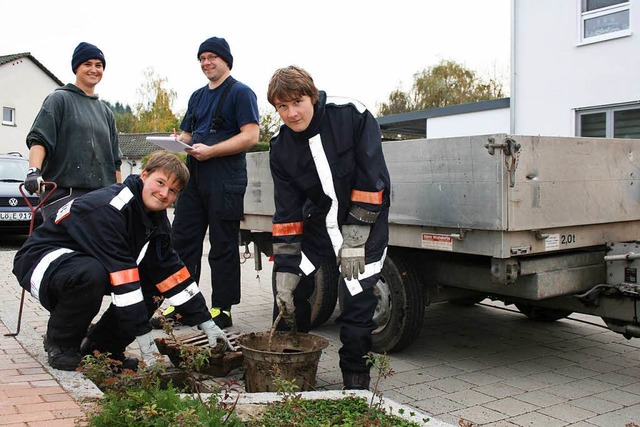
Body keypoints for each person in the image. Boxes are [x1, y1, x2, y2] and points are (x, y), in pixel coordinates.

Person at [13, 151, 229, 371]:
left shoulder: (156, 219)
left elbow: (171, 271)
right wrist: (145, 339)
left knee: (154, 283)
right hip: (41, 260)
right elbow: (122, 274)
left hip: (83, 262)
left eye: (172, 191)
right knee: (92, 274)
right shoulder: (110, 208)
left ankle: (103, 349)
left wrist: (206, 322)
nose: (164, 194)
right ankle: (61, 343)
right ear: (144, 175)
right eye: (160, 183)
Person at [266, 66, 391, 390]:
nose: (291, 113)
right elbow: (287, 211)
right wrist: (285, 269)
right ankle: (286, 373)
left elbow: (373, 178)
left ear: (312, 94)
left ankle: (356, 385)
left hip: (366, 226)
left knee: (355, 306)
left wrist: (355, 236)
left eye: (297, 102)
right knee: (289, 291)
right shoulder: (280, 147)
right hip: (320, 226)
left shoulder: (351, 115)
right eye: (282, 107)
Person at [153, 36, 259, 330]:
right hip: (194, 176)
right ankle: (182, 302)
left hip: (225, 178)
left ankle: (221, 309)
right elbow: (188, 134)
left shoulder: (241, 93)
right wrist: (176, 141)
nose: (206, 63)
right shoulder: (197, 96)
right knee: (182, 239)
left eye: (212, 57)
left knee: (223, 245)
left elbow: (250, 136)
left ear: (226, 60)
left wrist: (211, 150)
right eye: (201, 58)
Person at [24, 42, 121, 219]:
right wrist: (33, 172)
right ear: (76, 68)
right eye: (87, 64)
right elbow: (39, 140)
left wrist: (119, 193)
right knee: (65, 245)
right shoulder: (59, 99)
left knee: (97, 246)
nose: (94, 69)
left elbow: (115, 161)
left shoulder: (106, 112)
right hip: (63, 195)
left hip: (101, 197)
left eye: (99, 65)